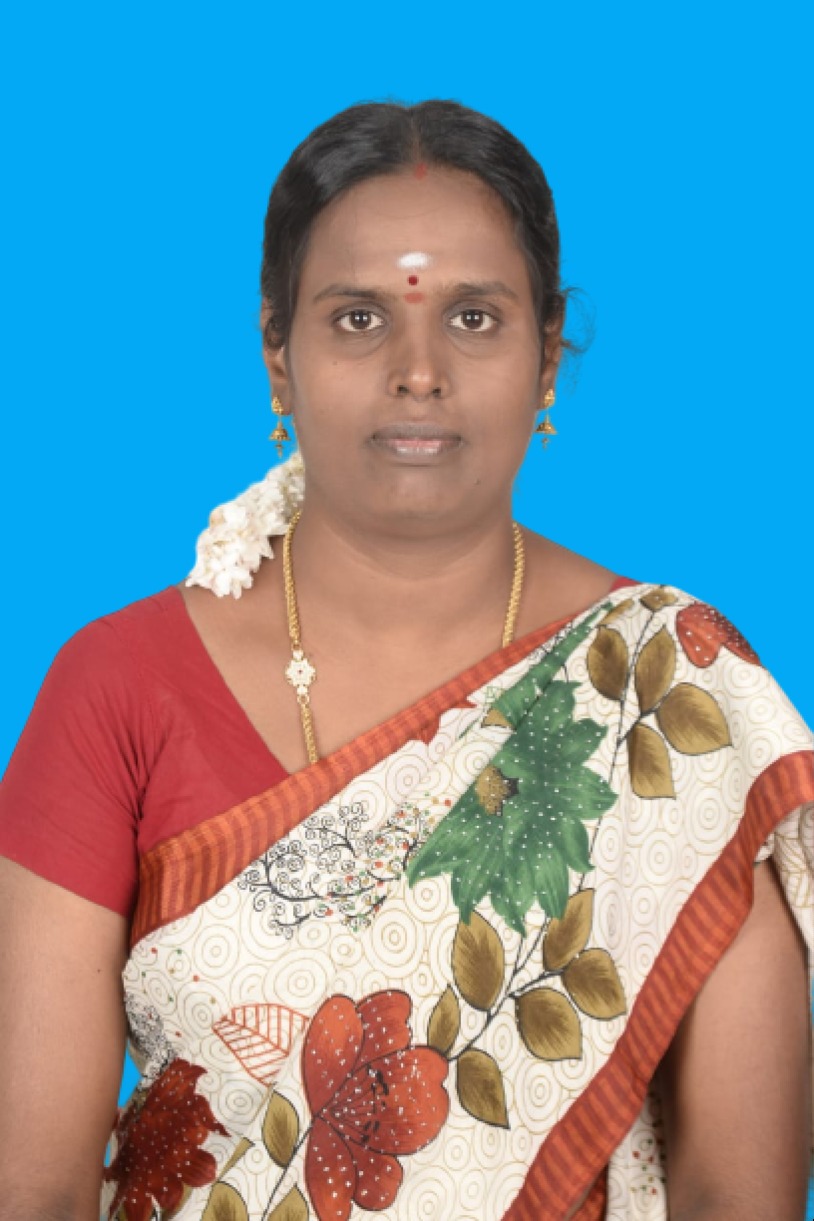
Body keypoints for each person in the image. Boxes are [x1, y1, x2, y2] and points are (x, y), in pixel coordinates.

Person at [0, 99, 811, 1221]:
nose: (418, 370)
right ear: (277, 355)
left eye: (474, 317)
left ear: (547, 355)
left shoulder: (666, 692)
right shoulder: (117, 688)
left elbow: (740, 1192)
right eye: (357, 319)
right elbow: (31, 1184)